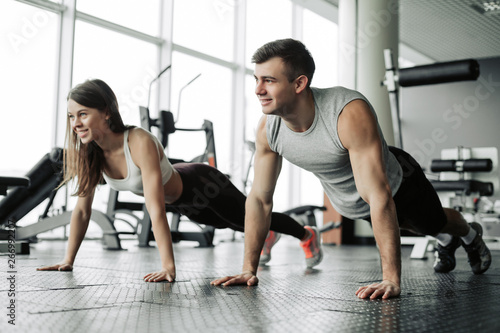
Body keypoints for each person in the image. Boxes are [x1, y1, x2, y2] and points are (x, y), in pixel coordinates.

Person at [210, 38, 492, 299]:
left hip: (398, 182)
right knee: (407, 225)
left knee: (431, 222)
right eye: (257, 79)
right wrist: (249, 269)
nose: (258, 89)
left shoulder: (347, 112)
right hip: (355, 201)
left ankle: (470, 234)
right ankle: (445, 241)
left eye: (269, 80)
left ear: (299, 83)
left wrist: (390, 280)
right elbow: (259, 199)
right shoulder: (268, 129)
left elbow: (380, 195)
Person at [37, 78, 323, 281]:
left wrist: (168, 268)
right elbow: (83, 211)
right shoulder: (91, 155)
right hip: (185, 204)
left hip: (202, 184)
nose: (75, 123)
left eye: (83, 114)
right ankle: (267, 234)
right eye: (72, 116)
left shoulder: (138, 141)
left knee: (246, 217)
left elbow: (155, 208)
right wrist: (67, 261)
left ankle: (306, 234)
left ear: (107, 112)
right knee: (232, 224)